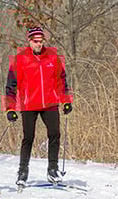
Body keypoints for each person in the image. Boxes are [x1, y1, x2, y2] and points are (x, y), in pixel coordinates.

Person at [4, 26, 73, 186]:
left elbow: (61, 79)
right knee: (28, 137)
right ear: (29, 41)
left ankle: (52, 169)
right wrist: (10, 108)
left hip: (50, 102)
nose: (39, 44)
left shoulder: (52, 57)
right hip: (29, 104)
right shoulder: (20, 59)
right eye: (35, 41)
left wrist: (66, 100)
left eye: (41, 41)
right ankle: (22, 171)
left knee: (55, 133)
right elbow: (10, 85)